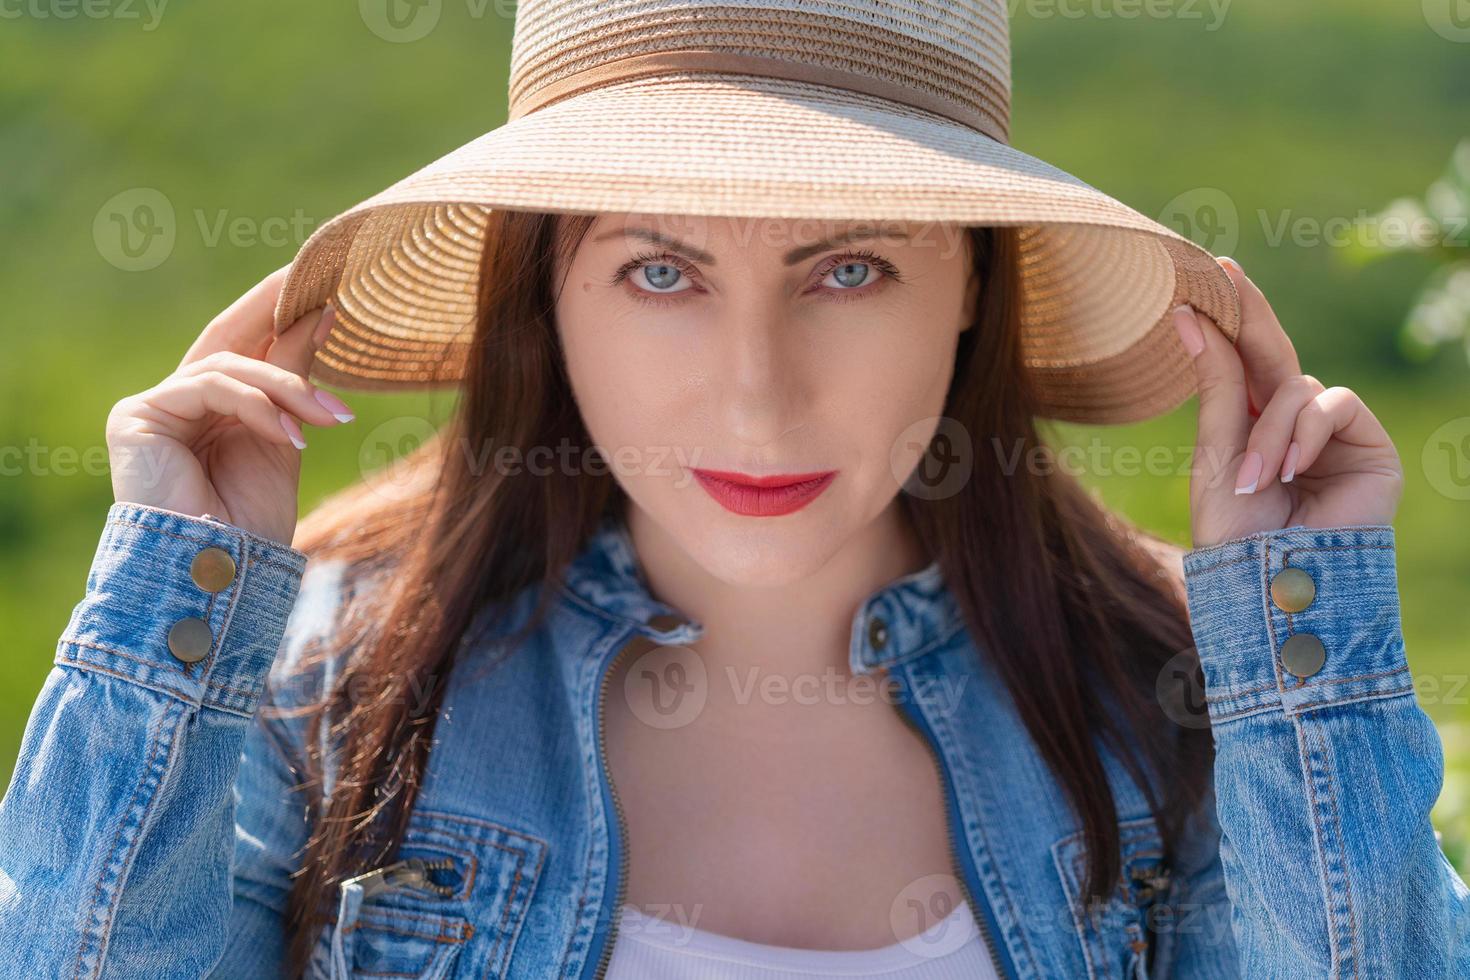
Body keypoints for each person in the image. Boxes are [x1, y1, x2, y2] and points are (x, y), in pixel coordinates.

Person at [3, 2, 1468, 978]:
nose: (757, 393)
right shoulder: (313, 682)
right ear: (544, 299)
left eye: (850, 267)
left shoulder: (1183, 699)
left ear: (968, 291)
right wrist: (177, 609)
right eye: (660, 271)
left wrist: (1299, 649)